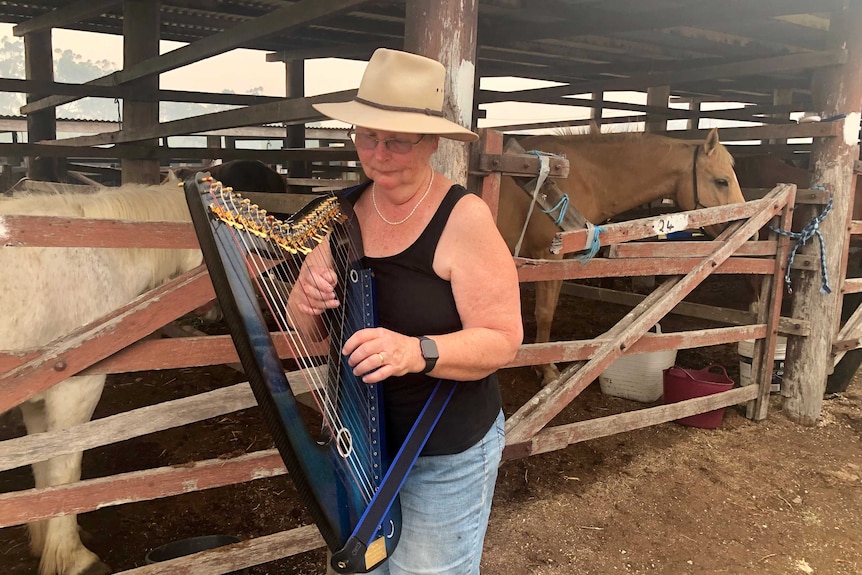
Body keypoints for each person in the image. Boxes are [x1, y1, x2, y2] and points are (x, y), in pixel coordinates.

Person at [289, 48, 523, 575]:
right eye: (367, 136)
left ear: (432, 142)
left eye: (396, 140)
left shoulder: (463, 219)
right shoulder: (341, 216)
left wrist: (416, 351)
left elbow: (504, 338)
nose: (378, 153)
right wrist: (303, 298)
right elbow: (307, 333)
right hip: (361, 448)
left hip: (445, 451)